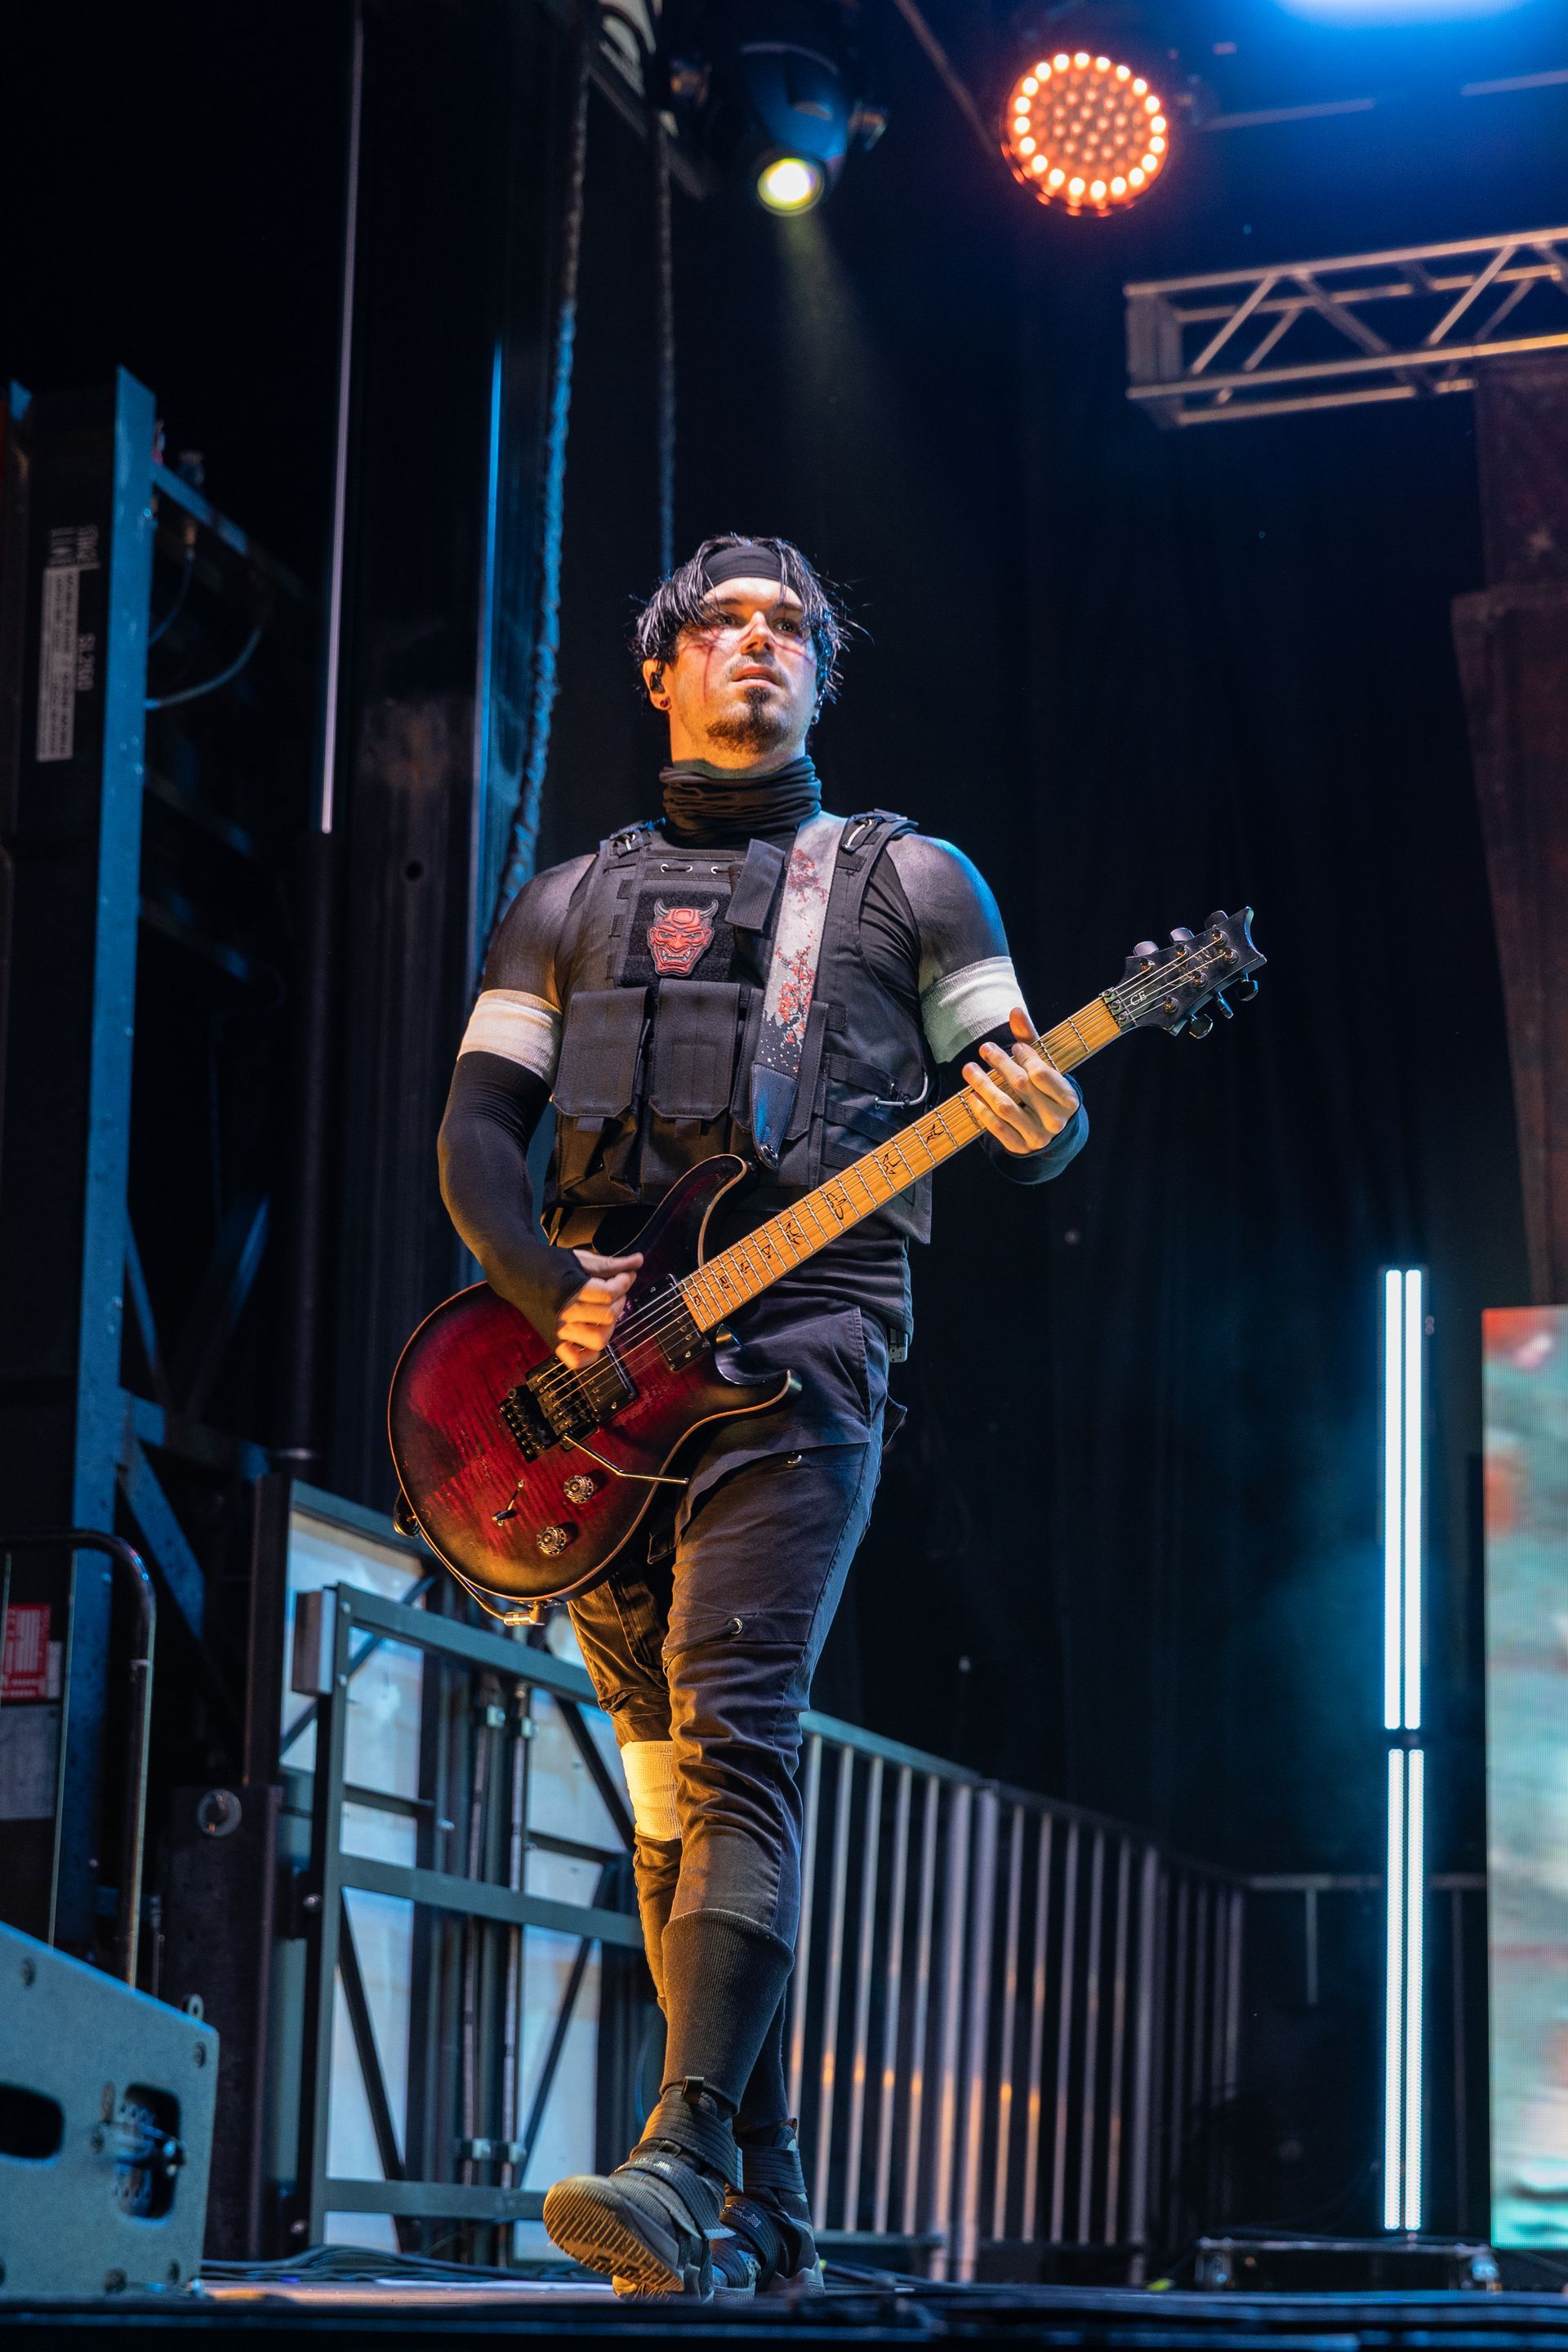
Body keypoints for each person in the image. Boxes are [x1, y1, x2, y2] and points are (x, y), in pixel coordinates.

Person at [437, 536, 1086, 2298]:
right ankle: (765, 2202)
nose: (759, 649)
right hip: (598, 1379)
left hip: (804, 1350)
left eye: (791, 629)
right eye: (723, 624)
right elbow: (475, 1133)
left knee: (735, 1731)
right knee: (660, 1786)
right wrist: (531, 1284)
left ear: (820, 677)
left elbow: (1027, 1090)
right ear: (660, 669)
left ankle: (678, 2155)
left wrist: (1051, 1121)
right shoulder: (564, 901)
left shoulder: (911, 883)